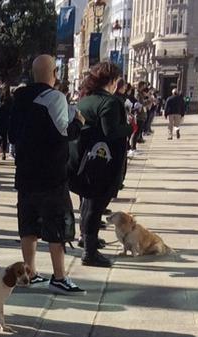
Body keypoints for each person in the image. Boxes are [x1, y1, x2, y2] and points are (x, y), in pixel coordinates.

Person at [9, 54, 85, 288]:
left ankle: (29, 272)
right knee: (56, 226)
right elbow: (63, 133)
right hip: (51, 175)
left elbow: (11, 135)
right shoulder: (55, 98)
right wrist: (78, 122)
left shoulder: (18, 98)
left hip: (25, 173)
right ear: (53, 74)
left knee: (28, 224)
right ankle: (59, 277)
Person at [75, 61, 131, 270]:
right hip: (102, 163)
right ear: (112, 81)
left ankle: (87, 240)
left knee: (88, 204)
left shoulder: (86, 100)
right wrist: (129, 127)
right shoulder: (110, 103)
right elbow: (111, 132)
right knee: (95, 206)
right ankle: (89, 251)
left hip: (84, 160)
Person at [0, 85, 11, 160]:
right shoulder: (10, 102)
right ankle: (3, 153)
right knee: (4, 138)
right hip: (6, 122)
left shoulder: (0, 106)